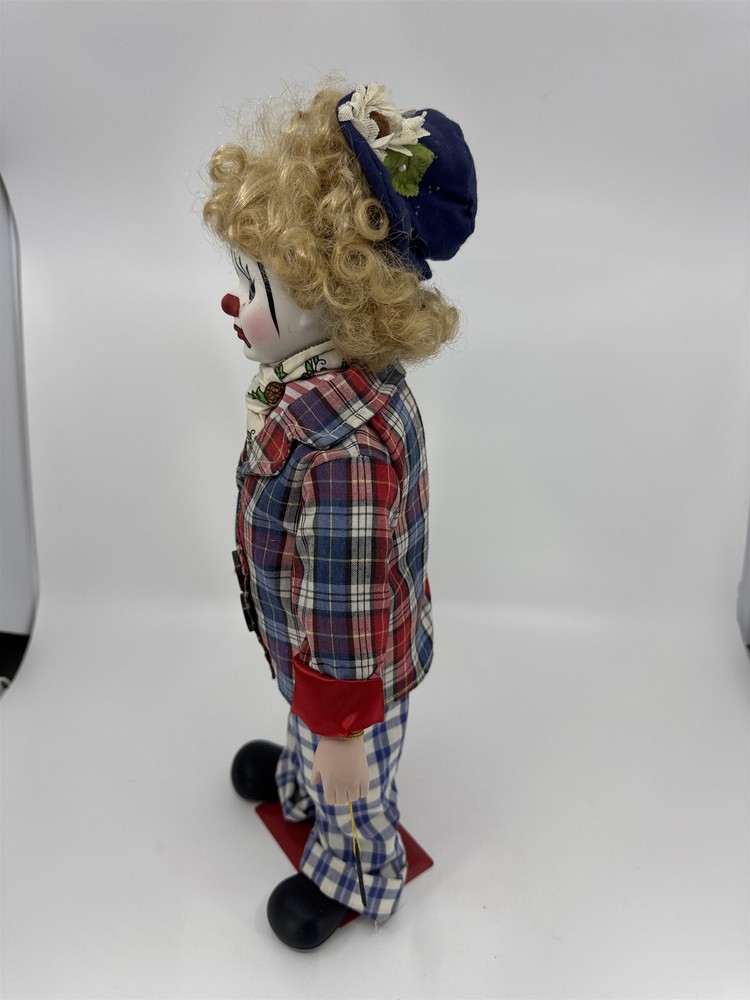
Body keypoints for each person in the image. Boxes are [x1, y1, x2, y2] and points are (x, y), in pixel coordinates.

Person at [203, 81, 477, 949]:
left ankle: (356, 873)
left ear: (335, 301)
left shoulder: (345, 452)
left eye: (256, 287)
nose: (234, 306)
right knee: (313, 731)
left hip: (354, 677)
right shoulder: (323, 395)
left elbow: (346, 617)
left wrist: (347, 732)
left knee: (354, 790)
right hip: (316, 660)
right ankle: (303, 766)